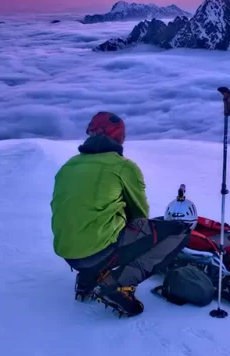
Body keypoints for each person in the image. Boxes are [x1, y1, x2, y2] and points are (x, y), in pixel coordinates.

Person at [50, 111, 192, 317]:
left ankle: (87, 281)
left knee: (99, 227)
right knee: (177, 231)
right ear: (119, 137)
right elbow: (140, 215)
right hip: (97, 251)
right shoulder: (123, 167)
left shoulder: (68, 165)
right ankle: (120, 284)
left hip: (68, 252)